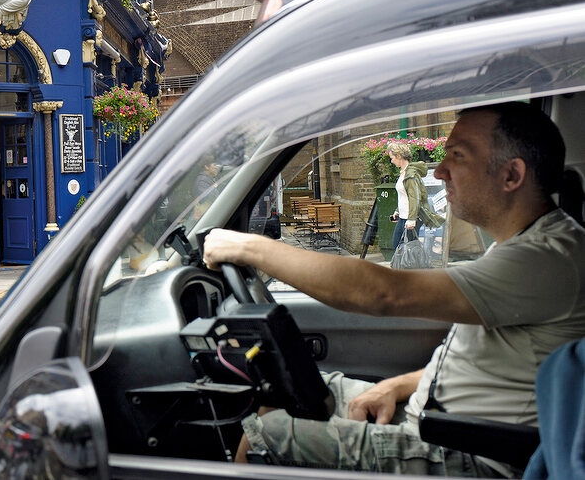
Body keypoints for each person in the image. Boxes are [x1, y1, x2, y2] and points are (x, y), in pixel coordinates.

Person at [203, 103, 585, 475]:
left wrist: (249, 247)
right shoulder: (522, 244)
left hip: (471, 452)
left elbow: (384, 292)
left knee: (265, 436)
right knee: (294, 394)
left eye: (458, 155)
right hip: (435, 419)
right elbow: (486, 364)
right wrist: (395, 386)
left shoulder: (547, 260)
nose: (439, 171)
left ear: (511, 175)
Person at [388, 141, 445, 259]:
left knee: (408, 249)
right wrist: (398, 211)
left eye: (392, 158)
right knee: (399, 246)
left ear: (399, 156)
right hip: (404, 217)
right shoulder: (403, 173)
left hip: (410, 218)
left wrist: (412, 219)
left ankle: (414, 272)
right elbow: (404, 196)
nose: (391, 161)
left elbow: (415, 197)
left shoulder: (411, 174)